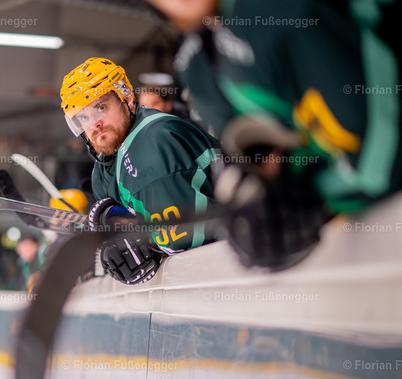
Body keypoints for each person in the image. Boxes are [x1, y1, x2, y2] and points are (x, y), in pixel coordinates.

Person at [147, 0, 401, 269]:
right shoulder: (194, 65)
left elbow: (381, 155)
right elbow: (247, 159)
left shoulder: (271, 15)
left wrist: (315, 199)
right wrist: (252, 207)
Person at [60, 57, 221, 284]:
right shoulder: (102, 167)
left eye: (101, 107)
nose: (94, 123)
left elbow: (188, 246)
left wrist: (141, 242)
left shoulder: (154, 142)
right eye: (83, 117)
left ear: (126, 98)